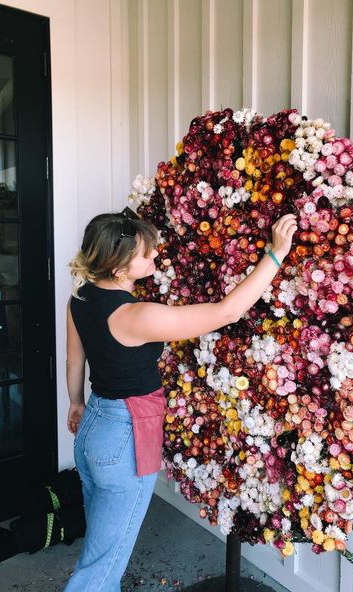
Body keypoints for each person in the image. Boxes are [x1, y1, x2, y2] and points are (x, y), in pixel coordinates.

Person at [64, 206, 297, 591]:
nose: (155, 255)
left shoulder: (80, 299)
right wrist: (276, 254)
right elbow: (228, 312)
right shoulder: (137, 315)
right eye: (145, 253)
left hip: (93, 427)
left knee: (101, 548)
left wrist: (75, 403)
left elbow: (75, 359)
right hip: (125, 436)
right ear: (120, 268)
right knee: (101, 568)